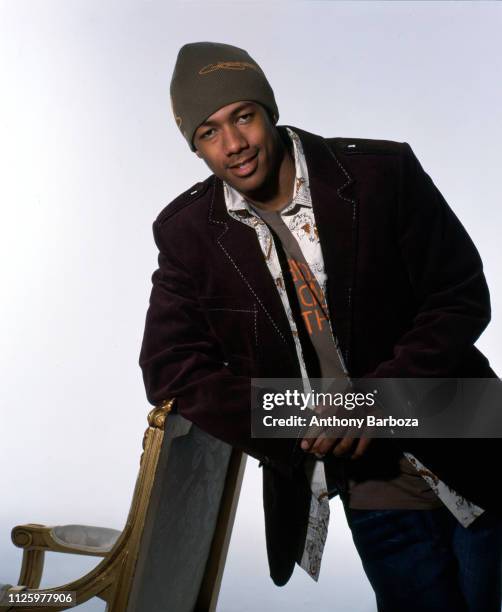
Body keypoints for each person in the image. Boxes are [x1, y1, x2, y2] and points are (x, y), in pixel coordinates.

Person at [139, 41, 502, 611]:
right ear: (194, 145)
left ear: (268, 111)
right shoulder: (190, 234)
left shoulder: (382, 174)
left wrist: (376, 400)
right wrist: (295, 415)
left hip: (471, 439)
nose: (233, 145)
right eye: (208, 132)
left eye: (243, 116)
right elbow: (173, 370)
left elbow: (458, 295)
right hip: (369, 481)